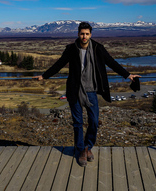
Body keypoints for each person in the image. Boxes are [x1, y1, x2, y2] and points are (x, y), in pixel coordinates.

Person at [33, 21, 140, 166]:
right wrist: (44, 76)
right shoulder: (71, 49)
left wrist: (128, 75)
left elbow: (112, 62)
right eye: (82, 34)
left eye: (87, 34)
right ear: (78, 34)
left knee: (94, 121)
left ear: (91, 34)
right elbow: (59, 64)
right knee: (77, 123)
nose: (84, 36)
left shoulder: (97, 48)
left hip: (91, 91)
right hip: (75, 90)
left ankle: (88, 146)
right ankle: (81, 150)